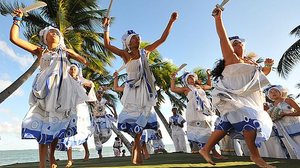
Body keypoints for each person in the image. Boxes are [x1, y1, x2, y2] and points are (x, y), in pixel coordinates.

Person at [11, 10, 89, 168]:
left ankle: (51, 156)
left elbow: (84, 61)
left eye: (56, 33)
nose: (54, 34)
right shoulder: (41, 51)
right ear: (45, 38)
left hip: (61, 94)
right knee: (42, 125)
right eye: (50, 32)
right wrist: (17, 20)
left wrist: (71, 52)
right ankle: (42, 164)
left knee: (55, 125)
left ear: (60, 38)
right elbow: (14, 39)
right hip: (44, 91)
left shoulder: (65, 53)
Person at [199, 7, 275, 168]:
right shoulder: (231, 58)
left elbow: (262, 76)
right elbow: (222, 38)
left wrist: (267, 65)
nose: (237, 44)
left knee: (227, 123)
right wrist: (218, 18)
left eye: (239, 42)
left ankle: (206, 149)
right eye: (233, 43)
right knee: (250, 120)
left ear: (244, 46)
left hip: (246, 98)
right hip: (231, 95)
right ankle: (255, 156)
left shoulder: (251, 63)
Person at [102, 11, 178, 165]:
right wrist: (106, 28)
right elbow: (107, 44)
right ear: (128, 42)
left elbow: (162, 39)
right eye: (134, 37)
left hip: (145, 90)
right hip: (131, 91)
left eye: (137, 36)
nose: (137, 38)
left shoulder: (146, 52)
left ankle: (137, 149)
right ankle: (137, 148)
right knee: (133, 118)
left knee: (142, 119)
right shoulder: (125, 54)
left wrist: (171, 21)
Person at [171, 70, 224, 158]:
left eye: (192, 77)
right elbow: (173, 89)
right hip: (193, 110)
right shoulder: (186, 88)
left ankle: (212, 151)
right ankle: (207, 151)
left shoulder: (200, 87)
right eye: (189, 78)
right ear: (186, 81)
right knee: (198, 130)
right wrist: (173, 79)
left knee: (208, 129)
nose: (191, 78)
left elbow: (210, 86)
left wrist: (208, 76)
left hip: (204, 109)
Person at [56, 64, 96, 167]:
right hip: (69, 108)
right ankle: (70, 159)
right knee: (69, 132)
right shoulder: (66, 80)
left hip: (81, 108)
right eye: (71, 69)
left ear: (77, 71)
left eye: (74, 69)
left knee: (82, 131)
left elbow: (91, 84)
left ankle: (87, 151)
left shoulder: (80, 80)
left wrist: (89, 88)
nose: (72, 70)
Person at [266, 85, 300, 158]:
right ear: (269, 96)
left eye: (275, 91)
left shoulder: (288, 100)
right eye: (271, 92)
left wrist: (285, 114)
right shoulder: (270, 106)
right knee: (290, 148)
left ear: (281, 91)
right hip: (282, 129)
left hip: (296, 126)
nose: (273, 93)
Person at [91, 87, 118, 159]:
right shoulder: (93, 100)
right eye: (98, 92)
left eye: (101, 93)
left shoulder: (104, 101)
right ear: (96, 94)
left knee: (106, 135)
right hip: (95, 121)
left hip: (103, 120)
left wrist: (115, 113)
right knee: (96, 137)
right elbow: (86, 100)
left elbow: (112, 105)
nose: (100, 94)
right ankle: (100, 153)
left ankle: (100, 144)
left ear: (102, 94)